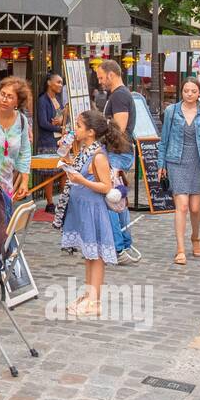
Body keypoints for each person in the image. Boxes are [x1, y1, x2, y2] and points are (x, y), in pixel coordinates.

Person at [59, 111, 126, 317]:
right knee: (89, 254)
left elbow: (105, 186)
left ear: (91, 132)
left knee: (96, 256)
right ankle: (89, 294)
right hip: (83, 208)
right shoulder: (85, 150)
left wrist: (82, 181)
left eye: (78, 126)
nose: (75, 130)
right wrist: (66, 158)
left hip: (93, 210)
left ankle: (94, 300)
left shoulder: (98, 156)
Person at [158, 78, 200, 265]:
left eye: (193, 91)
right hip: (176, 160)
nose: (190, 94)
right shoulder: (171, 111)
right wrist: (161, 164)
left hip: (198, 163)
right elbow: (164, 140)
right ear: (182, 92)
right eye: (186, 91)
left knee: (195, 208)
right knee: (182, 206)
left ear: (199, 93)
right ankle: (180, 248)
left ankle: (196, 237)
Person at [96, 60, 139, 262]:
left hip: (117, 153)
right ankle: (124, 243)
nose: (100, 81)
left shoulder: (120, 96)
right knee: (118, 199)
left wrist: (99, 134)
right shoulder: (119, 95)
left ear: (111, 75)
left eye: (101, 77)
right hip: (119, 152)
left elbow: (119, 129)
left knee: (111, 200)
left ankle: (118, 247)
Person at [35, 71, 67, 153]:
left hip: (59, 140)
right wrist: (60, 129)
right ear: (49, 82)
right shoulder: (42, 100)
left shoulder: (58, 99)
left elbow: (62, 113)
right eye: (58, 82)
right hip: (47, 143)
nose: (61, 85)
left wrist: (61, 119)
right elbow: (43, 123)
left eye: (61, 83)